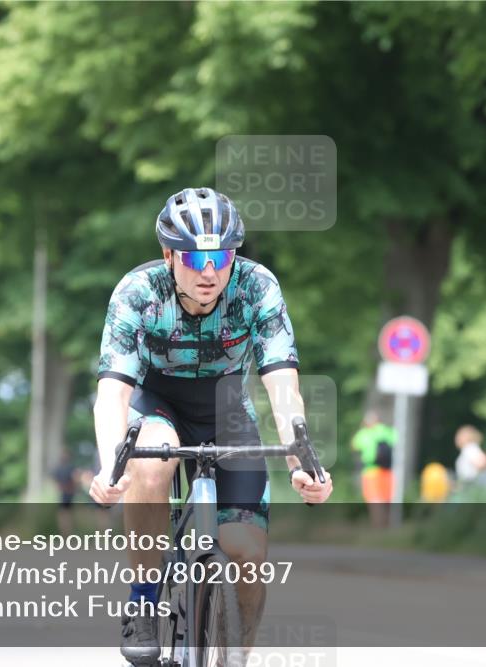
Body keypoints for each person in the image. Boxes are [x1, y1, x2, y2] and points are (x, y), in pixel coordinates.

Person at [88, 187, 333, 666]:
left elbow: (283, 387)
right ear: (168, 255)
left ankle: (234, 657)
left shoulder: (257, 286)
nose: (208, 271)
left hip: (226, 411)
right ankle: (142, 601)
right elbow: (112, 393)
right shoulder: (138, 292)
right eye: (193, 257)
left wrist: (301, 460)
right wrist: (110, 466)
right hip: (156, 403)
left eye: (221, 256)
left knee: (246, 553)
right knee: (152, 461)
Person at [350, 410, 396, 527]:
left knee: (374, 499)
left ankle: (377, 525)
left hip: (371, 471)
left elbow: (354, 445)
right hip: (387, 470)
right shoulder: (385, 430)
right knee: (387, 499)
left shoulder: (364, 433)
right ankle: (388, 525)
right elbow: (396, 439)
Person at [52, 450, 78, 536]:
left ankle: (66, 533)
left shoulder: (67, 468)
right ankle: (66, 533)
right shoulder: (66, 468)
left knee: (65, 514)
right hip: (65, 494)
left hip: (66, 494)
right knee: (65, 514)